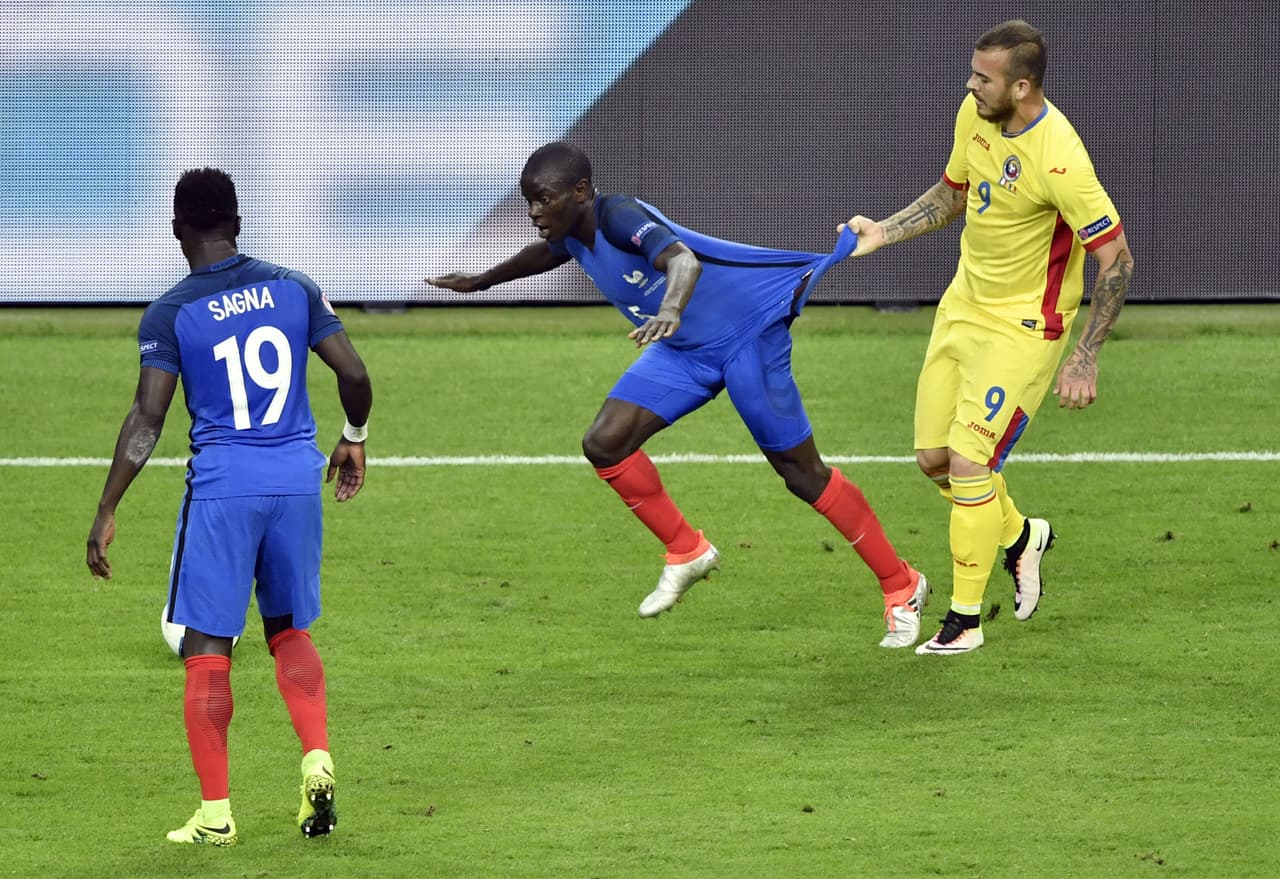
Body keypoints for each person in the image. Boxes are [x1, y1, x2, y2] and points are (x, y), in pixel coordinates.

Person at [427, 141, 927, 646]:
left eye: (543, 200)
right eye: (528, 202)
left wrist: (669, 308)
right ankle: (687, 551)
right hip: (685, 350)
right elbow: (545, 255)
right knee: (605, 442)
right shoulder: (569, 233)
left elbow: (682, 261)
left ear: (580, 192)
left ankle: (901, 585)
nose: (534, 212)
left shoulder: (619, 214)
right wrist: (480, 281)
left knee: (801, 473)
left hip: (745, 336)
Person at [85, 168, 373, 844]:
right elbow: (354, 374)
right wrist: (353, 439)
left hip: (223, 491)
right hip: (297, 482)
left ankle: (216, 814)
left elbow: (148, 418)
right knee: (287, 631)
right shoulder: (295, 286)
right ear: (238, 223)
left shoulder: (171, 313)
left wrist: (106, 507)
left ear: (177, 229)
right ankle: (316, 756)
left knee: (208, 647)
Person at [842, 20, 1134, 655]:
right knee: (934, 461)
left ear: (1022, 86)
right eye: (972, 73)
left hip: (1026, 325)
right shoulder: (973, 117)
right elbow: (952, 195)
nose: (970, 84)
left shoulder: (1061, 157)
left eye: (984, 77)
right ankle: (1021, 536)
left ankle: (965, 620)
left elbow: (1116, 258)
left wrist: (1085, 355)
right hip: (962, 308)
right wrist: (883, 232)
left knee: (972, 462)